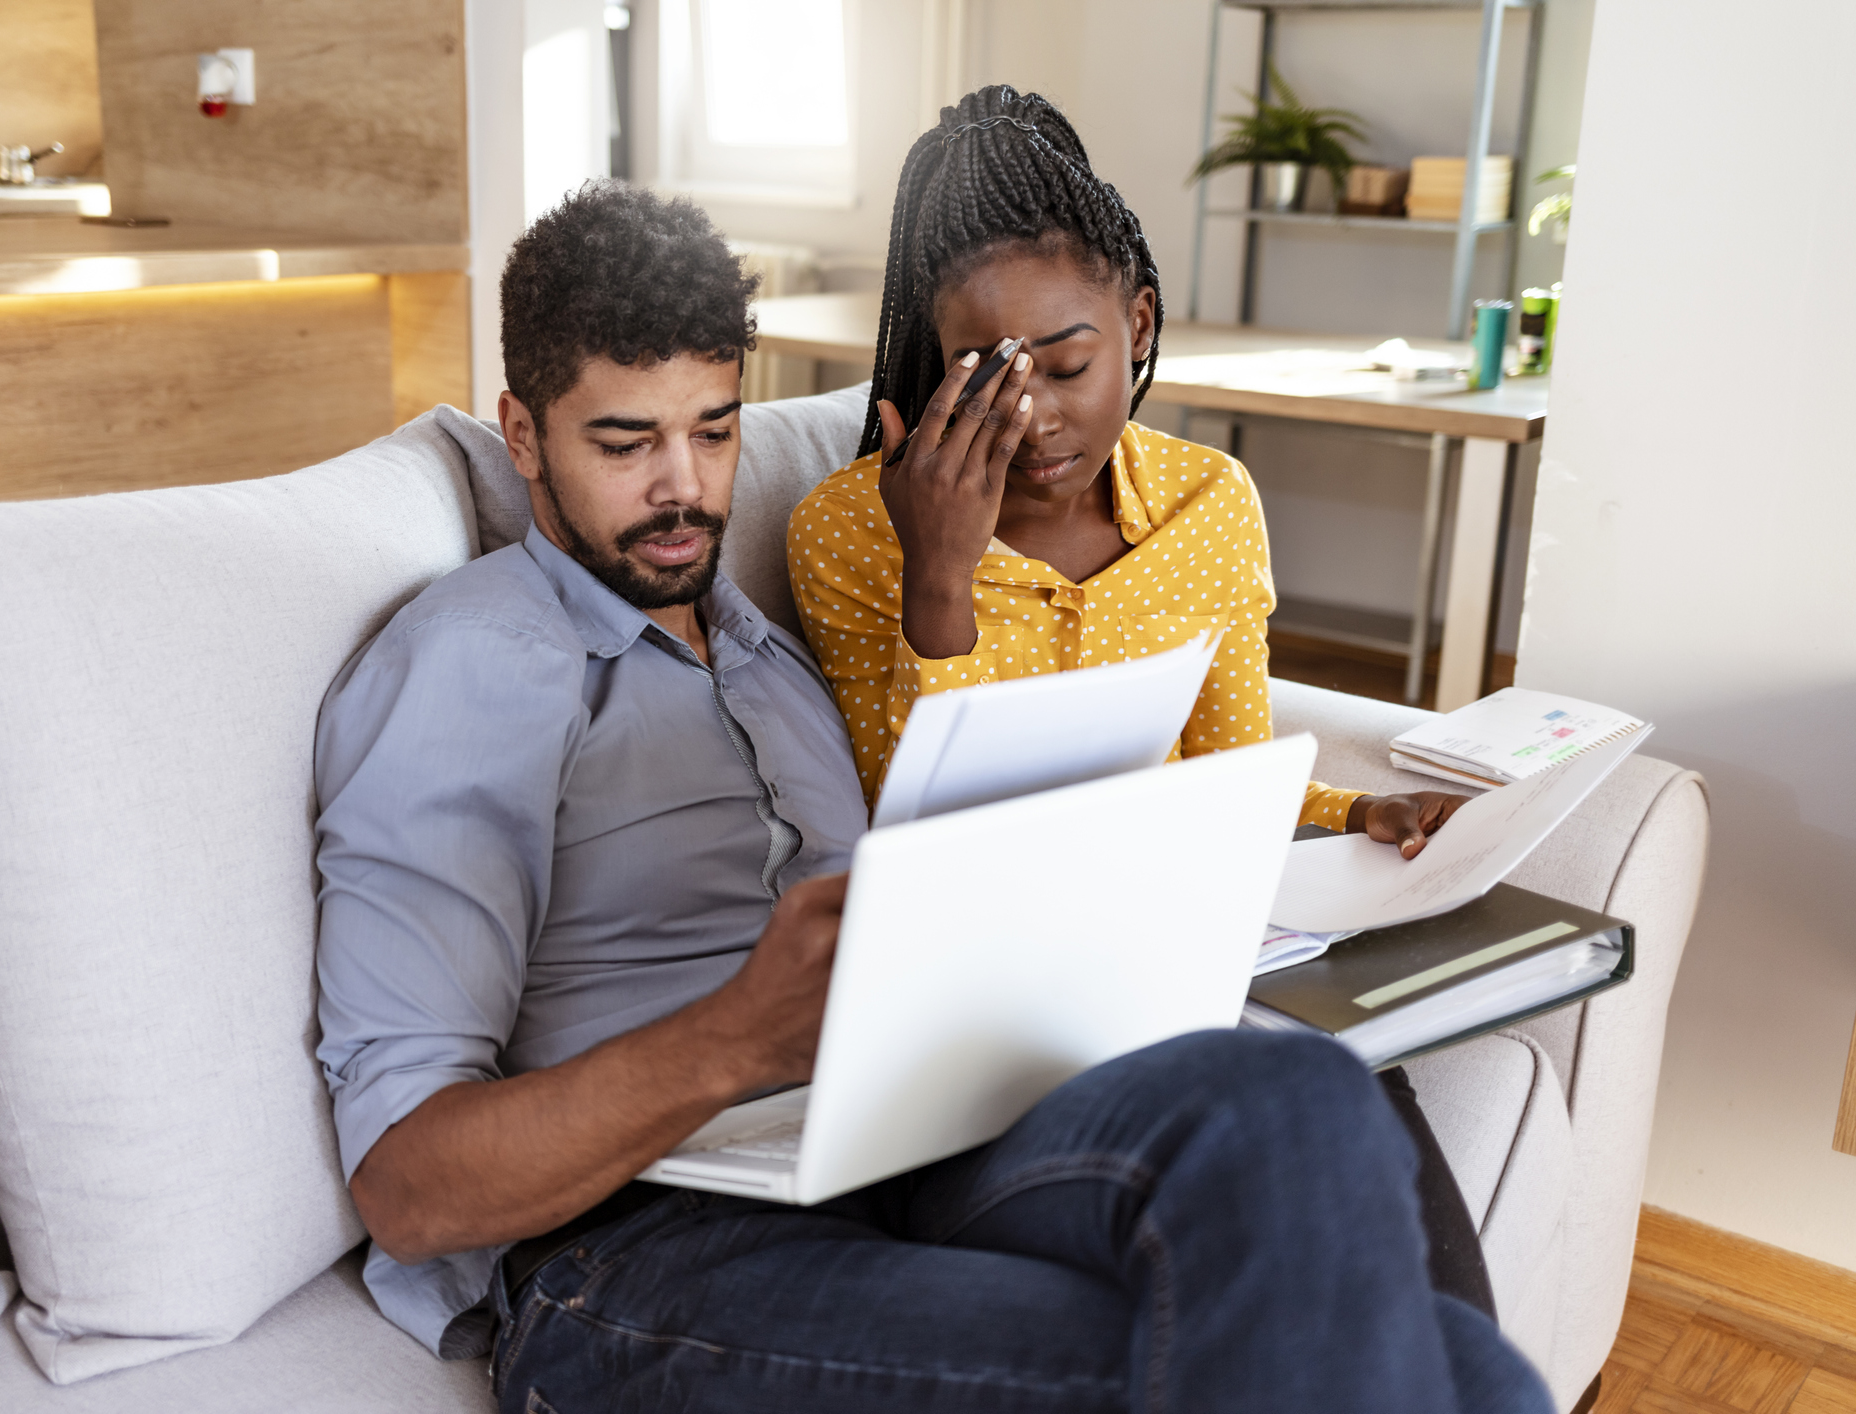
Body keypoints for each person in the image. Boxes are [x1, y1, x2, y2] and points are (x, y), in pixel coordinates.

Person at [313, 180, 1551, 1413]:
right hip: (642, 1252)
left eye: (715, 430)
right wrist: (738, 1034)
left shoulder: (766, 652)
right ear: (522, 435)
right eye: (625, 443)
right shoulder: (468, 667)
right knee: (1436, 1375)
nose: (684, 490)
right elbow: (410, 1188)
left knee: (1301, 1093)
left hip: (905, 1145)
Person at [785, 86, 1495, 1314]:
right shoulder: (852, 530)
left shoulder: (1210, 505)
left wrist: (1347, 813)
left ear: (1139, 321)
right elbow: (906, 831)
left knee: (1363, 1125)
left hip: (1171, 950)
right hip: (982, 996)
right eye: (983, 378)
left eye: (1067, 364)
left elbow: (1222, 775)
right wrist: (939, 573)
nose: (1035, 418)